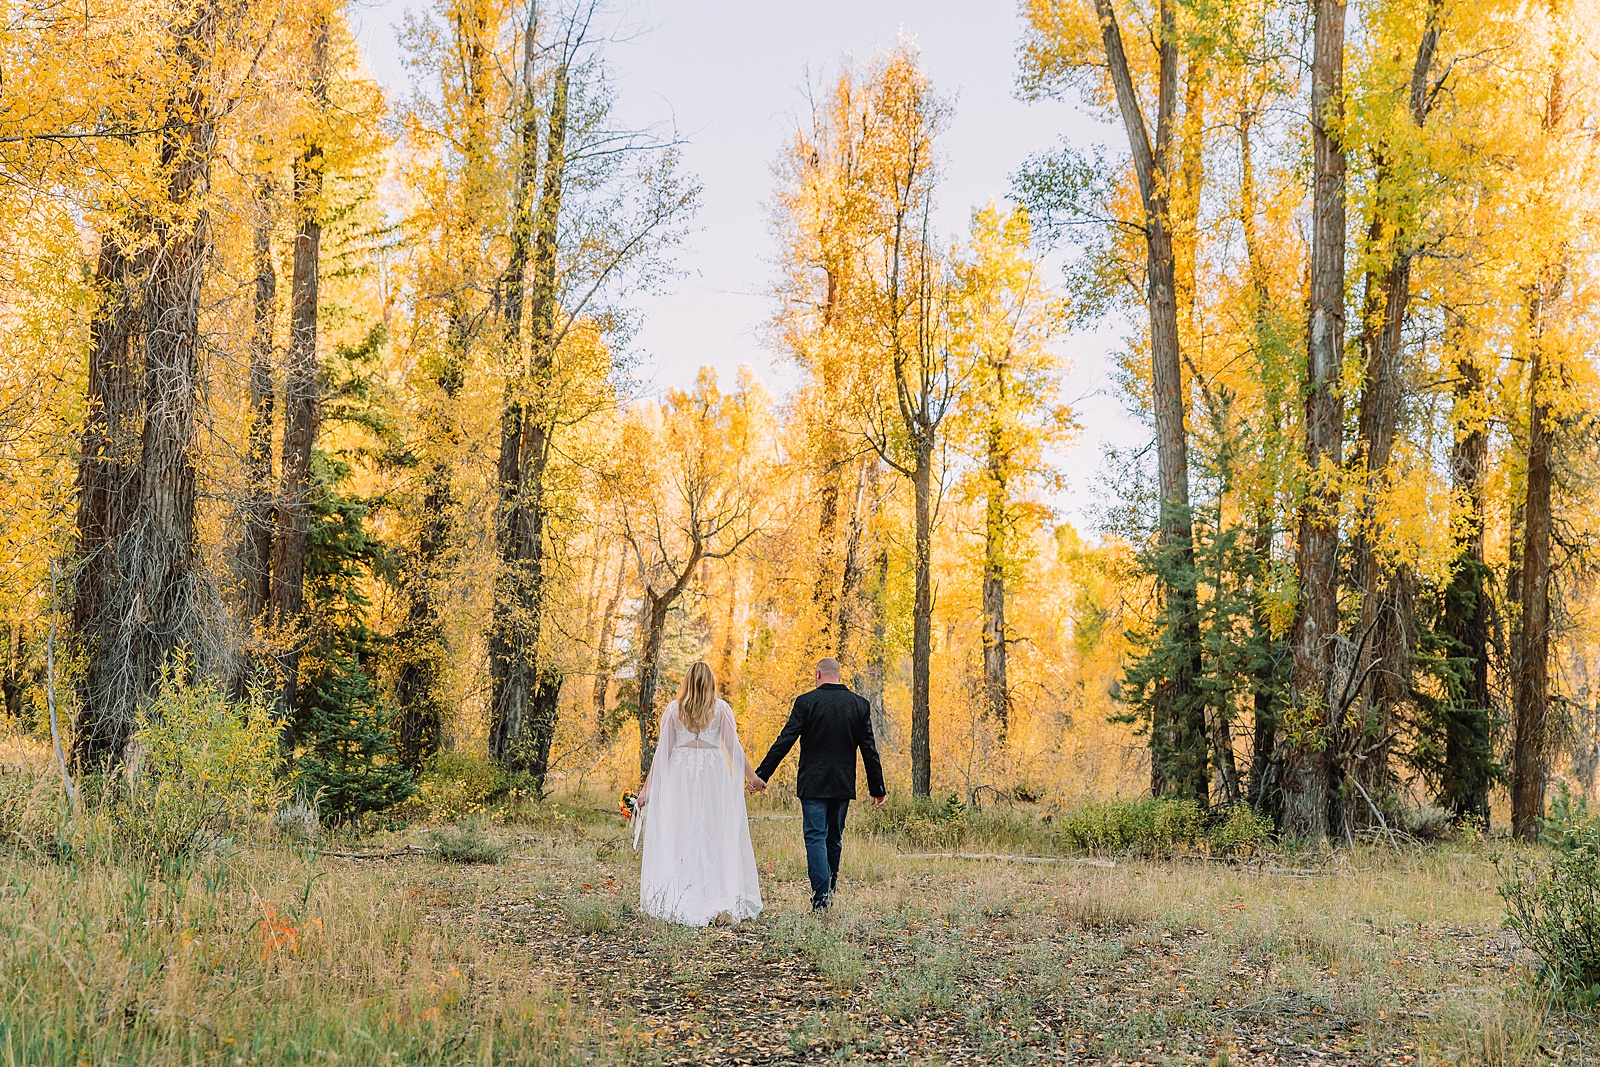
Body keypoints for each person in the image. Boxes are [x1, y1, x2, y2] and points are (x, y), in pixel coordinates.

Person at [636, 661, 765, 926]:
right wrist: (751, 777)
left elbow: (664, 753)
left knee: (683, 829)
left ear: (686, 682)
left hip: (681, 775)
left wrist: (647, 788)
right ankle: (711, 889)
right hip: (712, 774)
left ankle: (686, 888)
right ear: (711, 683)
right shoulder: (721, 710)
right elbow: (733, 748)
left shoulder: (674, 710)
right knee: (712, 830)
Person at [753, 657, 886, 911]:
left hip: (813, 784)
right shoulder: (859, 705)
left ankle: (822, 899)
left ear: (818, 674)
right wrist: (877, 789)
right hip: (842, 784)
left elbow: (785, 740)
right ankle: (828, 895)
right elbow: (870, 750)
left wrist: (762, 775)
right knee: (834, 839)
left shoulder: (806, 702)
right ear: (838, 674)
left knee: (815, 837)